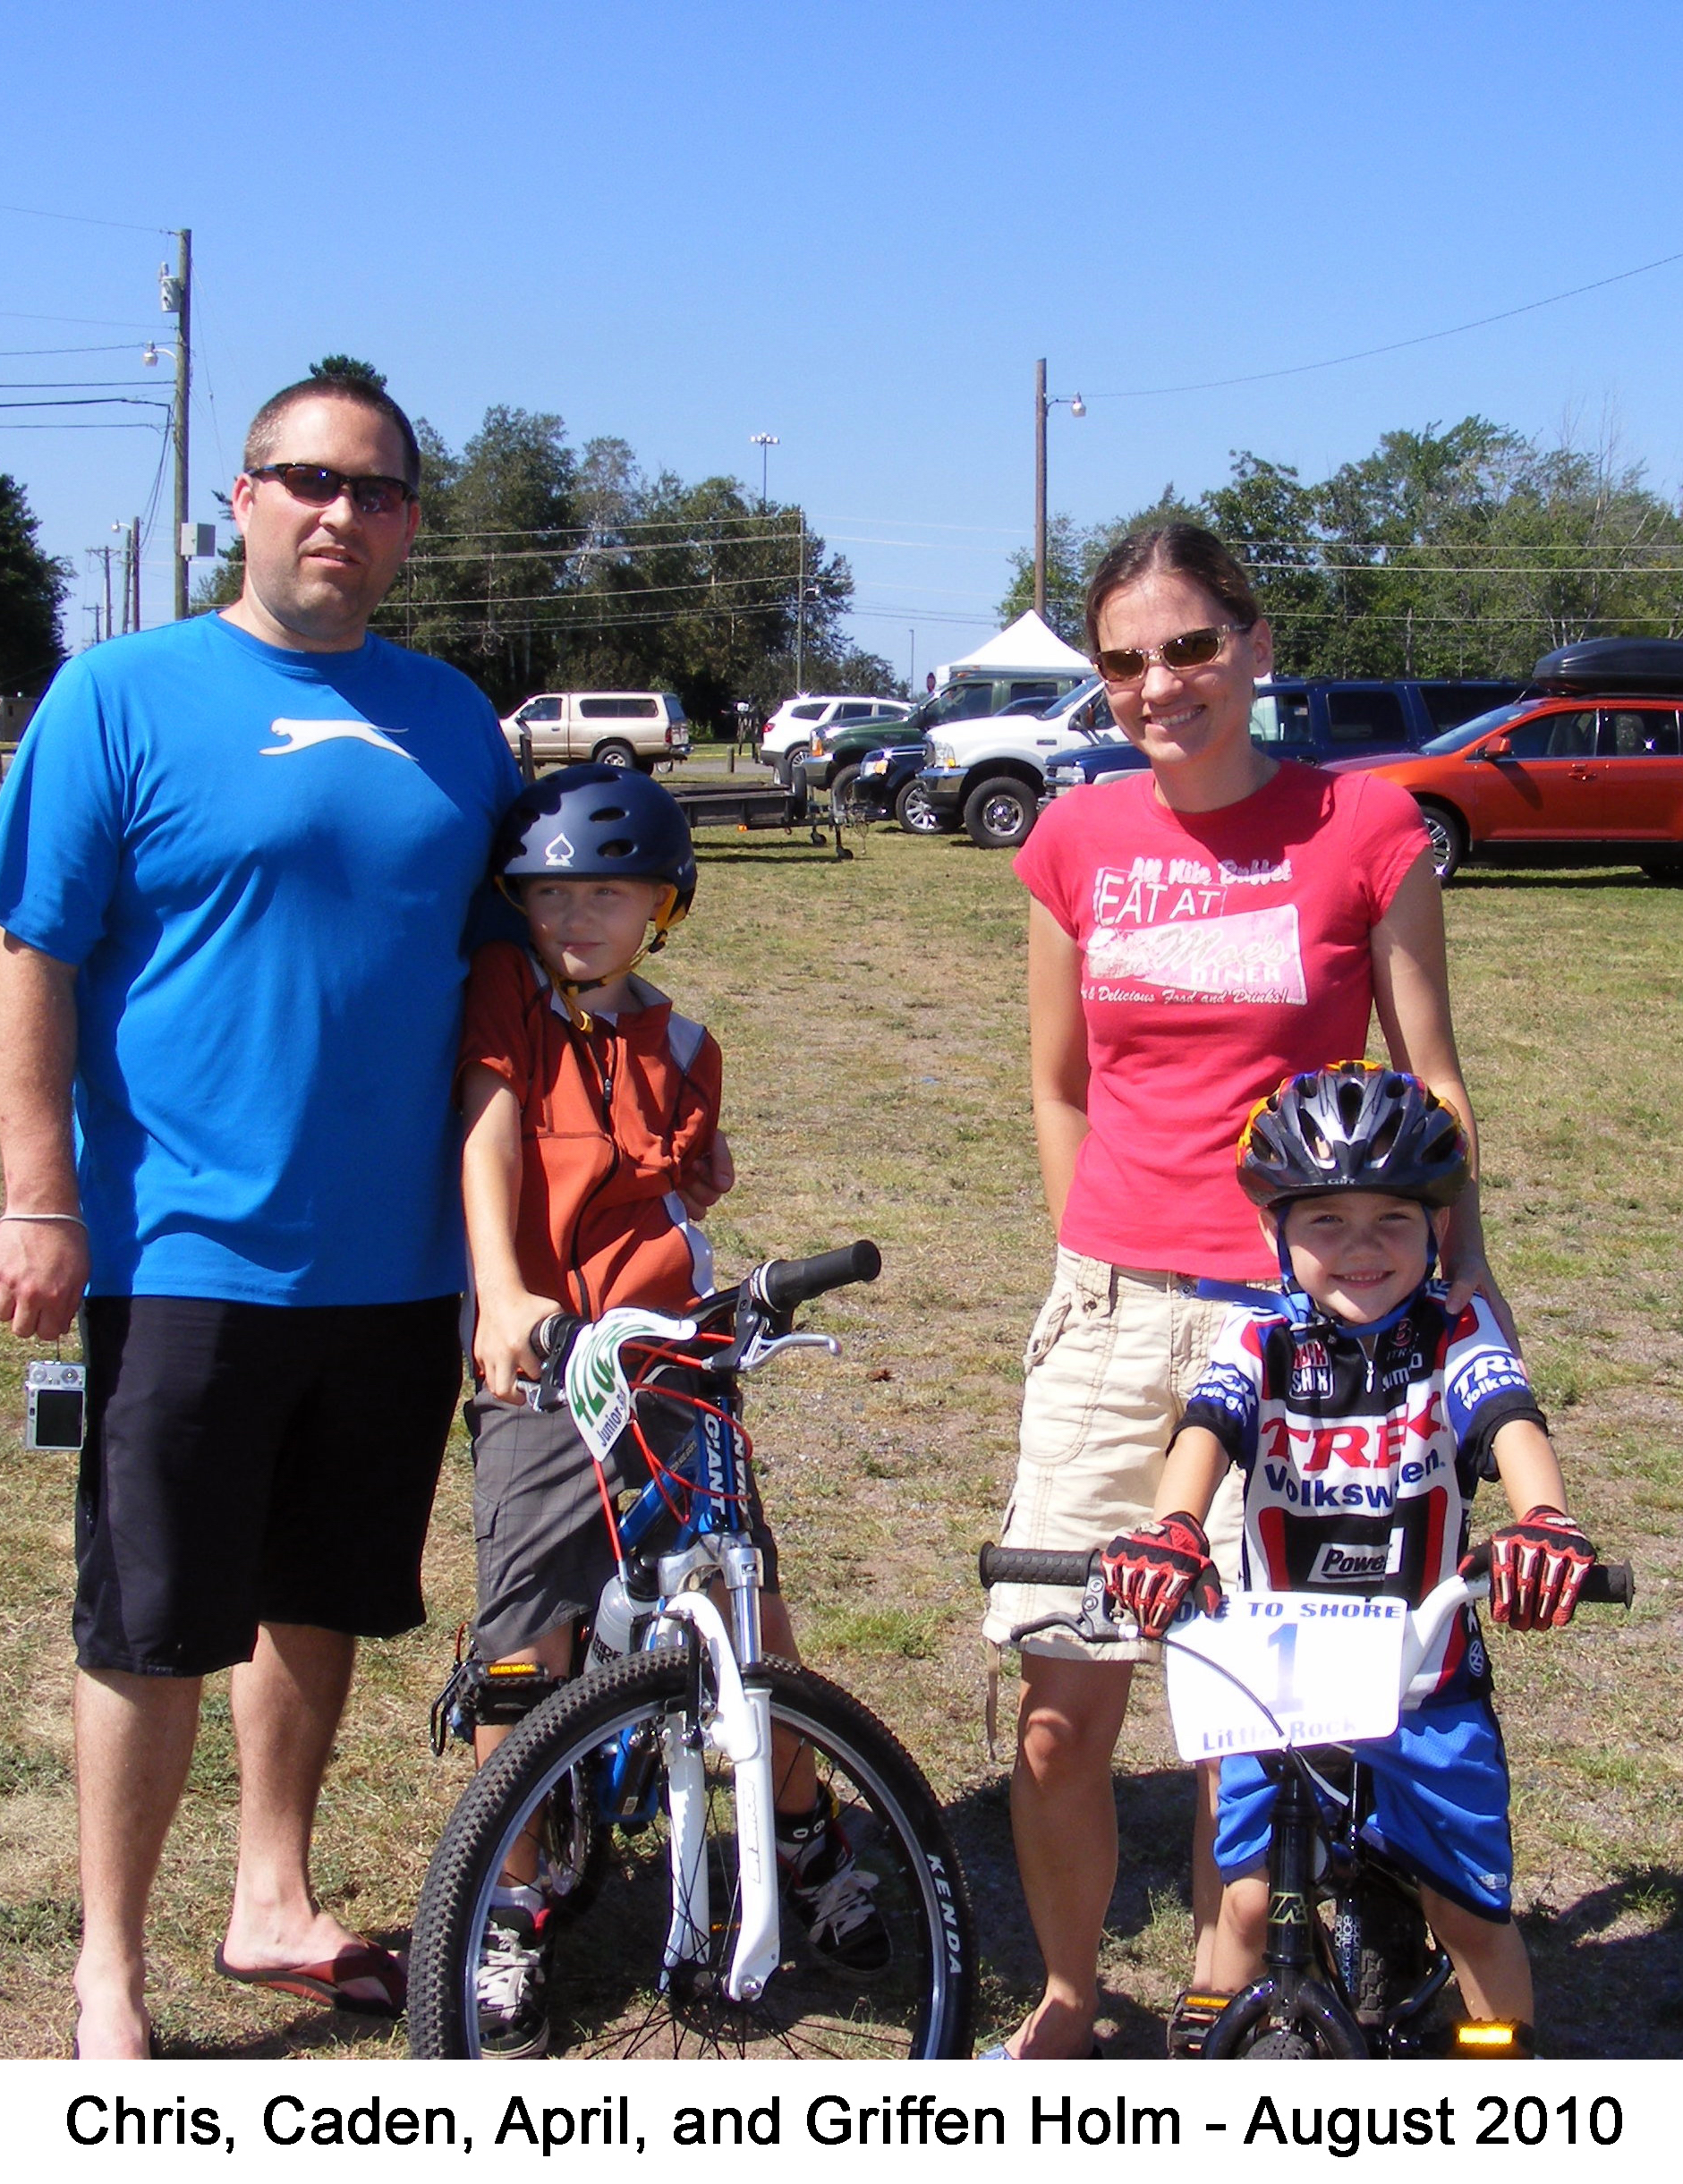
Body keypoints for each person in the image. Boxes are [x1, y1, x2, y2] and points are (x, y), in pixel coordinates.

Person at [0, 366, 526, 2061]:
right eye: (304, 481)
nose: (335, 514)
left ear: (411, 522)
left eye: (372, 490)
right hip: (181, 1246)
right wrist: (40, 1195)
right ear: (242, 497)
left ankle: (270, 1895)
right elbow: (27, 956)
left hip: (390, 1262)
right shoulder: (120, 696)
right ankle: (109, 1971)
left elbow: (517, 979)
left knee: (319, 1594)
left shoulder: (454, 720)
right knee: (150, 1618)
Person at [980, 522, 1502, 2060]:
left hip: (1302, 1331)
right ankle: (1071, 1994)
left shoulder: (1367, 823)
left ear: (1256, 646)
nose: (1161, 683)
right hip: (1110, 1313)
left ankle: (1226, 1985)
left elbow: (1434, 1088)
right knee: (1063, 1709)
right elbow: (1056, 1085)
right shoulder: (1071, 837)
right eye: (1127, 660)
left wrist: (1457, 1309)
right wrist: (1096, 1247)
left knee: (1243, 1705)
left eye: (1190, 646)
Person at [454, 761, 883, 2054]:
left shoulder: (687, 1044)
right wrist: (502, 1293)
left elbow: (690, 1192)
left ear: (664, 904)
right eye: (546, 894)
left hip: (671, 1362)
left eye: (604, 892)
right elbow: (483, 1134)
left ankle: (800, 1829)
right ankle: (508, 1900)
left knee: (747, 1605)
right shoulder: (503, 999)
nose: (572, 917)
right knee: (523, 1641)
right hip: (544, 1360)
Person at [1106, 1061, 1594, 2046]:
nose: (1360, 1249)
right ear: (1273, 1231)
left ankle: (1502, 2073)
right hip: (1279, 1677)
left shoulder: (1453, 1329)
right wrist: (1171, 1528)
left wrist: (1543, 1514)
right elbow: (1203, 1432)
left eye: (1392, 1221)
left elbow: (1507, 1417)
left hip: (1423, 1681)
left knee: (1468, 1919)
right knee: (1239, 1910)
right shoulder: (1261, 1338)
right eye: (1325, 1221)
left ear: (1437, 1228)